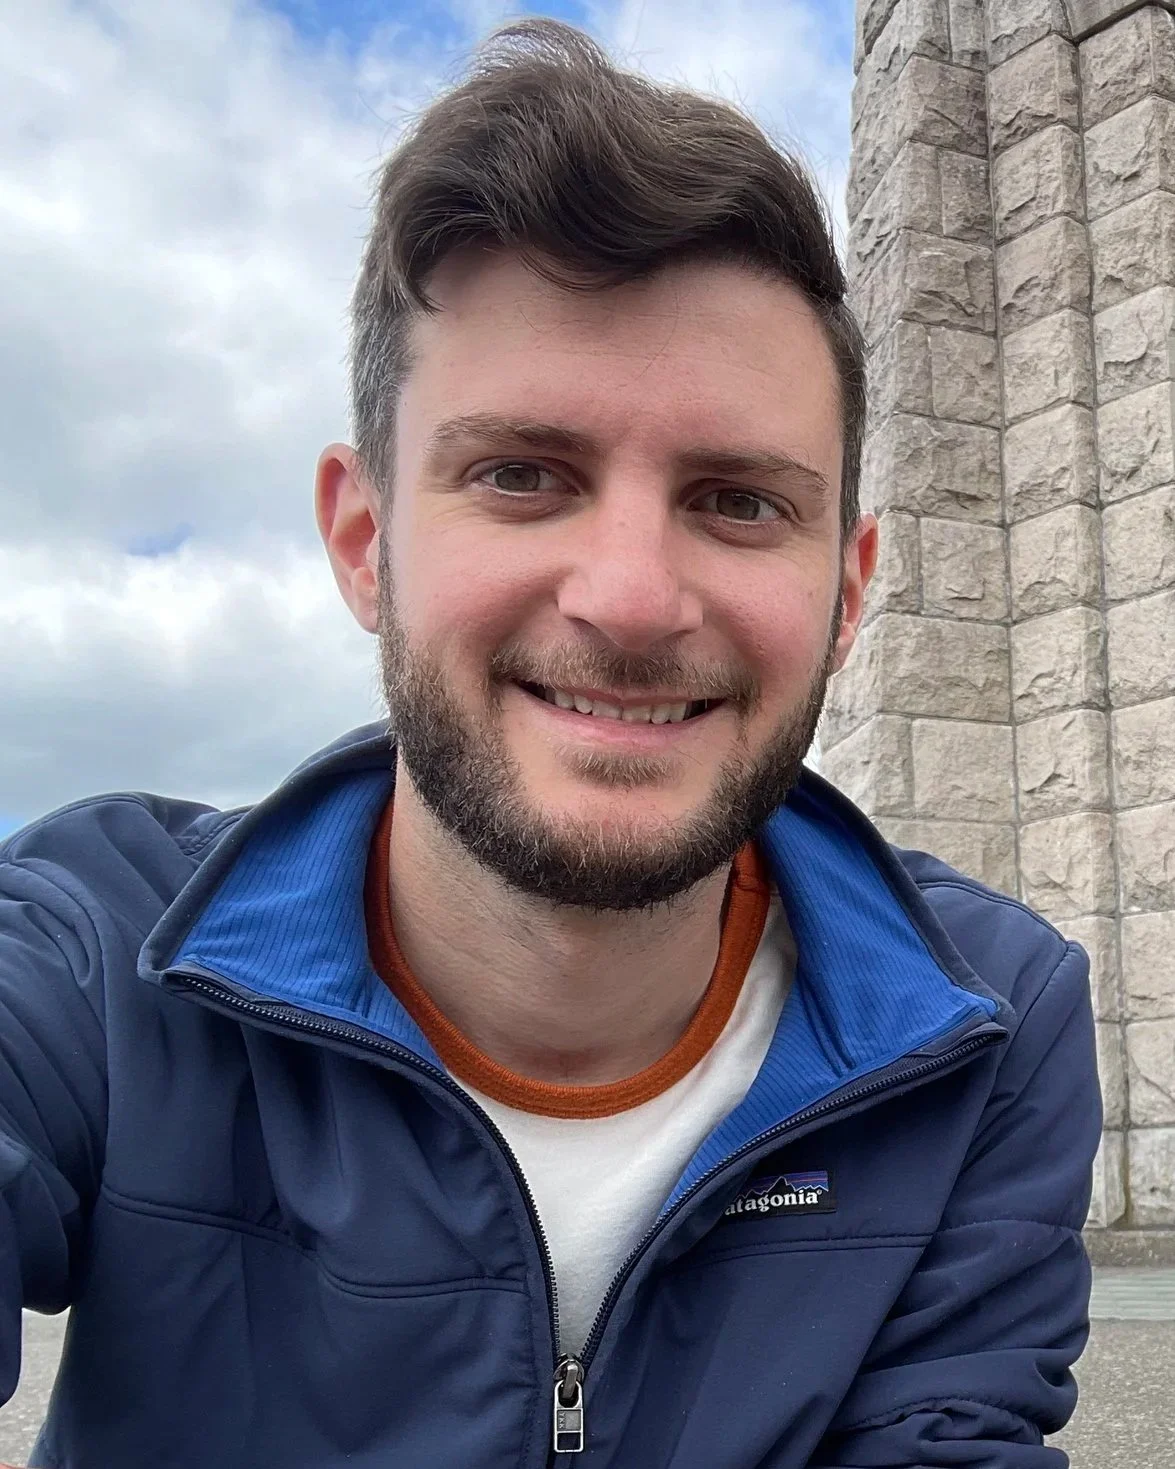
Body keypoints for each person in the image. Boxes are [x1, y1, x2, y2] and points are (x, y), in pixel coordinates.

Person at [0, 19, 1099, 1468]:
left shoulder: (991, 1028)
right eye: (521, 475)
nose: (633, 599)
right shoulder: (94, 960)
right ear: (364, 540)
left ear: (845, 589)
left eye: (738, 500)